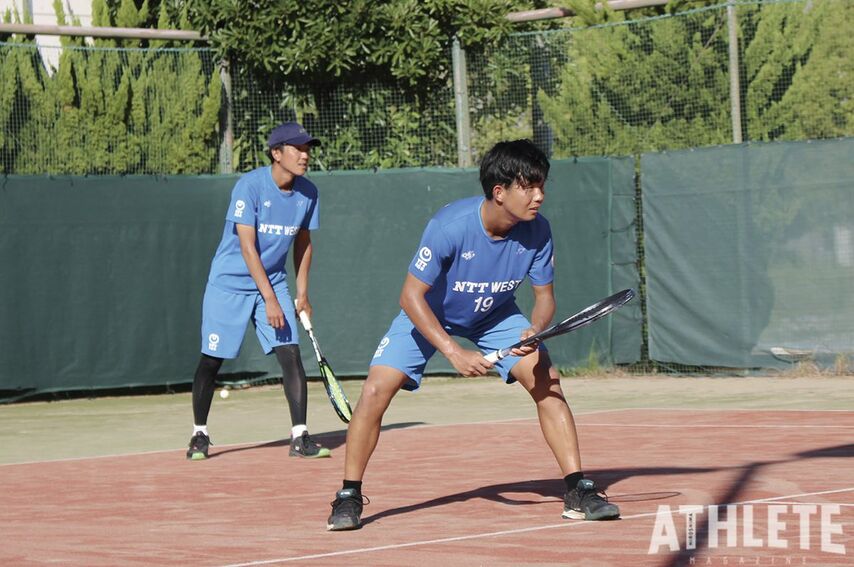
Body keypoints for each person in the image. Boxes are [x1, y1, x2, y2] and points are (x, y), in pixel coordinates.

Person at [326, 139, 619, 530]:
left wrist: (534, 328)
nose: (539, 196)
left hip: (495, 316)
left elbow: (545, 298)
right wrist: (452, 351)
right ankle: (348, 494)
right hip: (431, 315)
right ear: (499, 192)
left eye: (542, 186)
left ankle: (578, 489)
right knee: (376, 389)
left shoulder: (539, 232)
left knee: (546, 379)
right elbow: (411, 296)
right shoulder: (449, 227)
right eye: (528, 187)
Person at [186, 122, 331, 460]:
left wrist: (302, 293)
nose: (305, 155)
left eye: (308, 148)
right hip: (229, 284)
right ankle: (200, 435)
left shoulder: (308, 193)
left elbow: (304, 244)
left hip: (275, 280)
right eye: (297, 148)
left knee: (290, 353)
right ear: (276, 153)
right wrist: (269, 299)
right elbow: (248, 247)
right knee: (212, 359)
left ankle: (300, 437)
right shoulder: (249, 187)